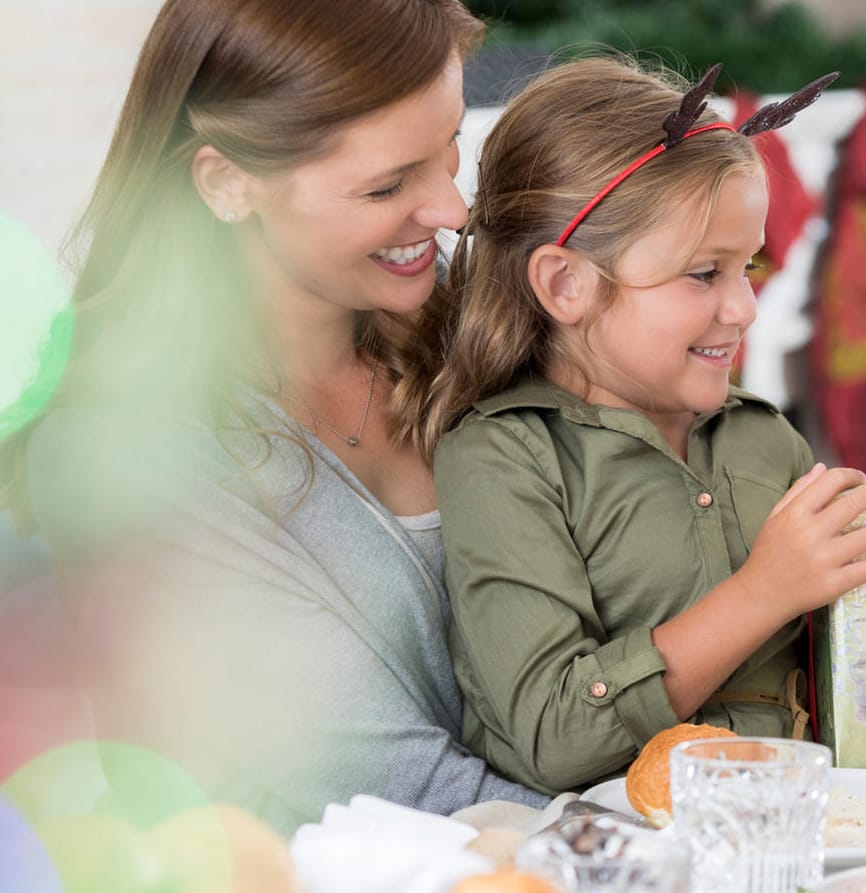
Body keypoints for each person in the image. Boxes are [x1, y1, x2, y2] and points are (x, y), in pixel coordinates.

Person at [2, 0, 551, 831]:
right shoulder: (124, 450)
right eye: (386, 185)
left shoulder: (462, 322)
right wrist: (686, 845)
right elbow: (396, 793)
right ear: (227, 183)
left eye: (451, 150)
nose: (452, 211)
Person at [418, 59, 866, 796]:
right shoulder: (504, 458)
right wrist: (764, 591)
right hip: (603, 864)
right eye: (705, 274)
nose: (742, 307)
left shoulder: (767, 443)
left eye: (749, 267)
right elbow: (551, 734)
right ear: (566, 284)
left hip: (803, 839)